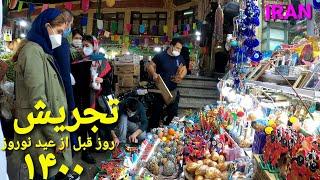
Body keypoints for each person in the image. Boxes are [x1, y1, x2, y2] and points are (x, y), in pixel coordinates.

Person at [14, 8, 74, 179]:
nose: (60, 37)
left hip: (45, 133)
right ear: (47, 26)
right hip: (40, 136)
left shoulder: (42, 52)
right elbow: (38, 101)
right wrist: (56, 138)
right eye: (59, 31)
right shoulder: (33, 52)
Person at [52, 10, 78, 157]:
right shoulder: (61, 42)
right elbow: (65, 77)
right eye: (70, 25)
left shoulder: (43, 43)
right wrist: (72, 104)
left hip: (49, 97)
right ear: (65, 23)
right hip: (60, 97)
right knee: (63, 137)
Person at [147, 38, 187, 128]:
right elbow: (150, 66)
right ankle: (151, 132)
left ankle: (168, 132)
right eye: (177, 48)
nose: (179, 50)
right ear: (171, 46)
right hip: (160, 90)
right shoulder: (161, 56)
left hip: (173, 91)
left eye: (180, 49)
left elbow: (184, 69)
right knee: (156, 113)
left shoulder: (179, 57)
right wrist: (153, 73)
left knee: (172, 115)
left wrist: (181, 76)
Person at [70, 32, 96, 164]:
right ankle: (75, 149)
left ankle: (85, 151)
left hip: (88, 97)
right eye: (79, 40)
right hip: (74, 95)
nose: (83, 45)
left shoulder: (94, 59)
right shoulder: (71, 57)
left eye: (86, 44)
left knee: (87, 125)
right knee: (75, 124)